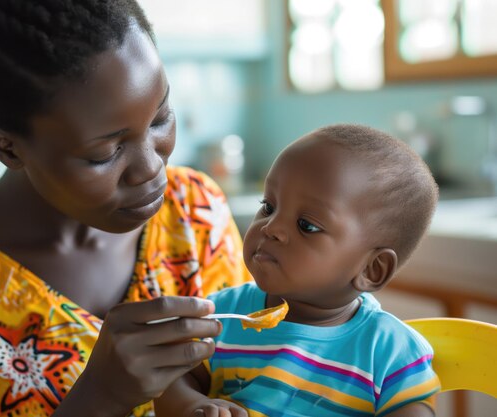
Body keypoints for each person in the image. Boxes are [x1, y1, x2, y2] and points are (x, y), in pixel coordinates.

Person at [0, 1, 251, 416]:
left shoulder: (195, 211)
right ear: (8, 147)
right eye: (105, 153)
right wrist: (101, 397)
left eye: (160, 117)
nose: (150, 168)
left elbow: (259, 378)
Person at [155, 124, 442, 417]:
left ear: (371, 269)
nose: (271, 228)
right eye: (268, 206)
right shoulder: (224, 315)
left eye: (307, 225)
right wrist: (192, 405)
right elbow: (172, 381)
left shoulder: (389, 351)